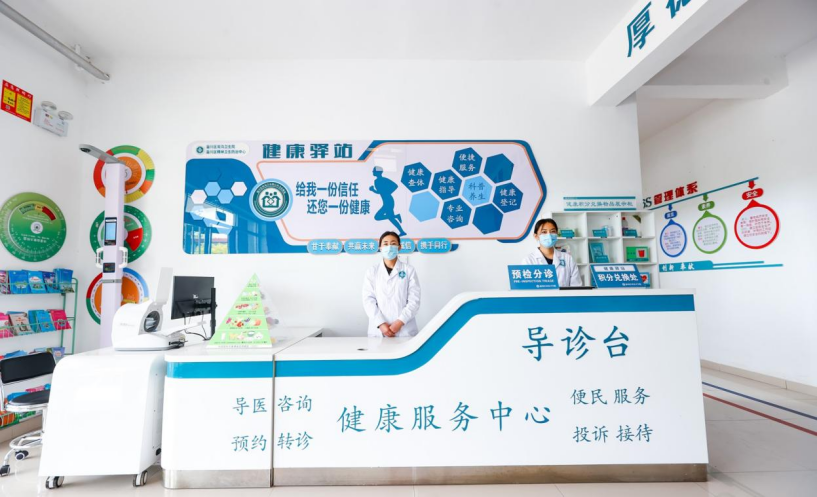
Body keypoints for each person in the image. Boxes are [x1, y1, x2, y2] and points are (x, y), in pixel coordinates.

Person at [362, 231, 421, 337]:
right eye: (385, 244)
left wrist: (400, 322)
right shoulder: (372, 271)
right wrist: (381, 323)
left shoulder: (409, 270)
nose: (389, 247)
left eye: (393, 243)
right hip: (378, 331)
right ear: (380, 247)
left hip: (404, 330)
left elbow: (414, 300)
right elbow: (368, 300)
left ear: (399, 247)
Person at [522, 218, 582, 287]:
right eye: (544, 232)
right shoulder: (529, 260)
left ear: (556, 234)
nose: (549, 235)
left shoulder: (567, 258)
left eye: (553, 231)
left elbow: (576, 287)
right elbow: (526, 288)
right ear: (536, 236)